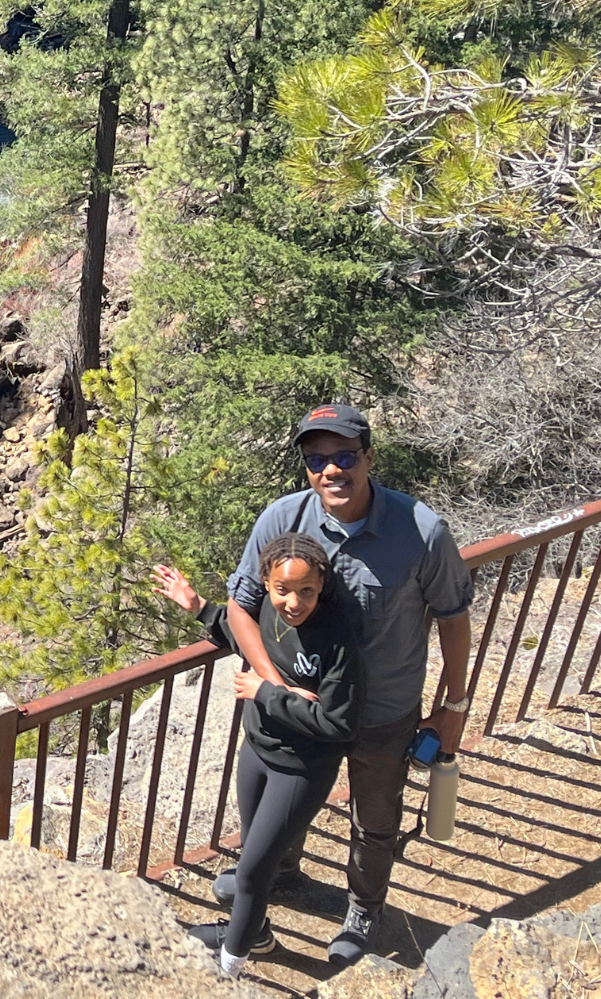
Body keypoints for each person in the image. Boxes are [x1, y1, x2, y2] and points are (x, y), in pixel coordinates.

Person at [224, 404, 474, 965]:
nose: (331, 471)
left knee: (375, 817)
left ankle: (364, 907)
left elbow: (453, 616)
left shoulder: (421, 531)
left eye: (343, 457)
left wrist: (455, 702)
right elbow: (241, 608)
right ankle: (277, 873)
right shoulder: (282, 520)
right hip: (303, 709)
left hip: (382, 710)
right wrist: (275, 686)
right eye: (317, 461)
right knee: (280, 799)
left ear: (368, 457)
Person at [153, 537, 362, 978]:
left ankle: (229, 969)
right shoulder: (266, 613)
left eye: (306, 590)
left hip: (302, 769)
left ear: (321, 584)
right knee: (253, 854)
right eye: (283, 589)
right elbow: (244, 640)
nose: (294, 602)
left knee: (251, 872)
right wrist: (198, 606)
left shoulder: (337, 637)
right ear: (265, 583)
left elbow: (340, 724)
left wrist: (267, 692)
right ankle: (258, 935)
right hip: (258, 751)